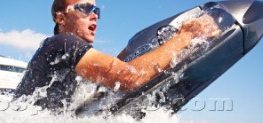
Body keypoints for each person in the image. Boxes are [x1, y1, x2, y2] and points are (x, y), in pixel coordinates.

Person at [13, 0, 220, 112]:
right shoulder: (63, 42)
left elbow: (112, 75)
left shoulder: (60, 54)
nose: (94, 14)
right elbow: (129, 77)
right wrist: (187, 35)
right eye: (85, 8)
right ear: (61, 17)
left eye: (96, 10)